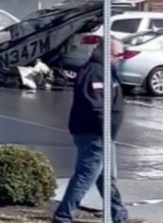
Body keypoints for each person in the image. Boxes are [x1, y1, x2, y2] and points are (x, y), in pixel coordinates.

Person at [52, 38, 134, 223]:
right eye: (117, 55)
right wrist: (103, 130)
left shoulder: (107, 71)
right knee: (86, 175)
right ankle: (63, 216)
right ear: (105, 53)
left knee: (107, 177)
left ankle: (119, 215)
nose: (120, 59)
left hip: (104, 136)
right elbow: (95, 106)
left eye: (122, 55)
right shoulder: (95, 72)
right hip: (95, 134)